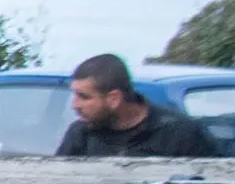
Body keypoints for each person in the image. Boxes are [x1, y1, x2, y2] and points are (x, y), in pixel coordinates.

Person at [55, 53, 218, 157]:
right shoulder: (80, 134)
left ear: (114, 99)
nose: (75, 105)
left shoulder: (179, 133)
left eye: (83, 97)